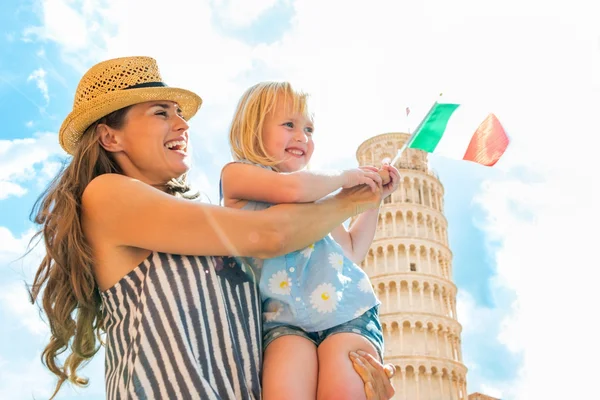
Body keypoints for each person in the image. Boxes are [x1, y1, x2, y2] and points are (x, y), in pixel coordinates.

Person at [28, 56, 396, 400]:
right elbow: (271, 234)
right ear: (111, 137)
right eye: (161, 112)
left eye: (179, 113)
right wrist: (354, 198)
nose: (183, 124)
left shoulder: (202, 217)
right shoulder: (106, 194)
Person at [221, 81, 400, 400]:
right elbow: (291, 190)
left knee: (345, 386)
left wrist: (372, 201)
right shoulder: (238, 176)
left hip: (347, 312)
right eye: (289, 124)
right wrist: (348, 179)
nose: (302, 136)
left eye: (309, 128)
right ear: (252, 129)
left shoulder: (318, 197)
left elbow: (352, 250)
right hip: (281, 321)